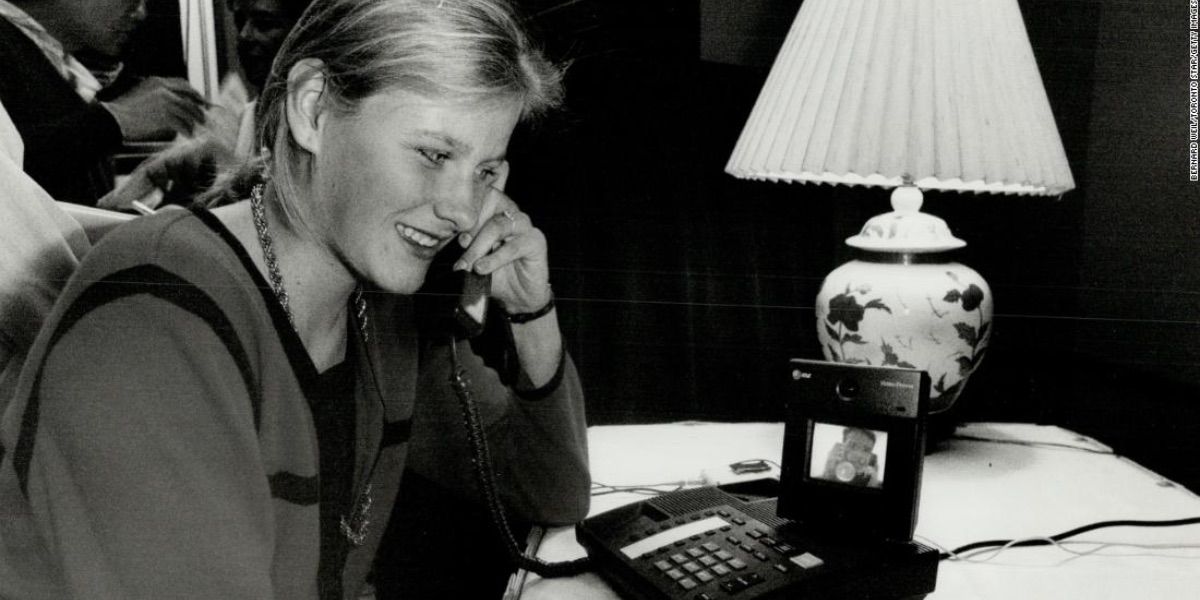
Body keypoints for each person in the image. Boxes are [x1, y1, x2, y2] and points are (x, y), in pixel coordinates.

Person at [0, 0, 589, 598]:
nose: (463, 211)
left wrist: (529, 309)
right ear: (313, 111)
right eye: (434, 154)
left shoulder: (375, 308)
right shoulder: (154, 319)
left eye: (487, 172)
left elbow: (550, 492)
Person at [98, 0, 315, 210]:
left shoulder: (320, 126)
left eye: (265, 24)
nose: (244, 35)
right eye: (239, 21)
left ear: (307, 34)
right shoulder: (247, 120)